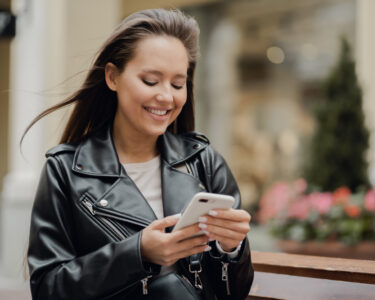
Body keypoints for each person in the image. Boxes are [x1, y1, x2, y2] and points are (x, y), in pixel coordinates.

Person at [26, 8, 254, 300]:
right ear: (113, 77)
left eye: (177, 84)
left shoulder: (204, 162)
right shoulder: (65, 170)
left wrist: (232, 249)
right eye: (150, 81)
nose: (166, 97)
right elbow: (47, 288)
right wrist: (137, 253)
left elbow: (234, 293)